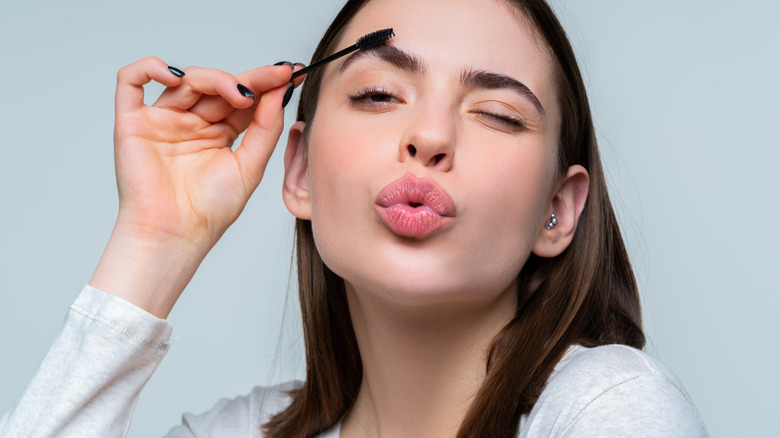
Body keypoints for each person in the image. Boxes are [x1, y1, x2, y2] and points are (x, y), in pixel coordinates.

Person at [0, 0, 709, 437]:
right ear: (299, 169)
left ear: (557, 212)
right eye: (377, 94)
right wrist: (153, 242)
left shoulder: (608, 410)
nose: (430, 137)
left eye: (496, 113)